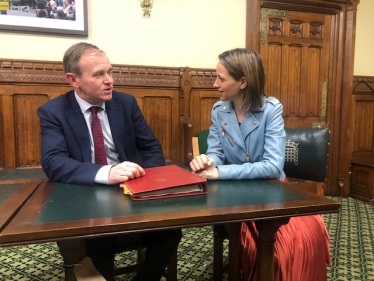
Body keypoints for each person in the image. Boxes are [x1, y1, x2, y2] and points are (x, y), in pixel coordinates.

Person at [37, 42, 182, 281]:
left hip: (130, 191)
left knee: (170, 232)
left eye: (110, 71)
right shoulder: (53, 112)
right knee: (99, 243)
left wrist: (152, 184)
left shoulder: (126, 103)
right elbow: (53, 162)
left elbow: (151, 147)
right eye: (99, 74)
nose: (110, 80)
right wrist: (107, 172)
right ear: (73, 80)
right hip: (86, 196)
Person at [190, 48, 331, 281]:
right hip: (233, 195)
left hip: (273, 189)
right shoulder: (218, 110)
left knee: (308, 236)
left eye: (221, 79)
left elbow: (273, 167)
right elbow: (216, 152)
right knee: (266, 249)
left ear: (243, 82)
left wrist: (219, 171)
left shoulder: (271, 109)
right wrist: (207, 160)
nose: (215, 84)